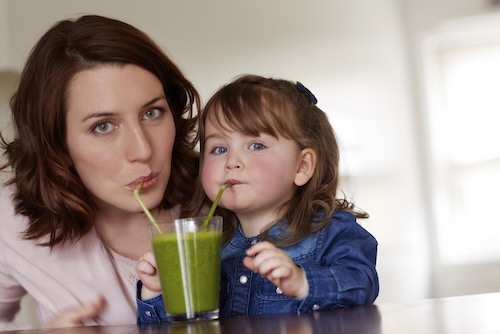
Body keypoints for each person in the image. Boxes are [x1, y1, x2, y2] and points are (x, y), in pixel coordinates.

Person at [0, 15, 201, 329]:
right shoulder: (13, 217)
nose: (143, 150)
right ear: (58, 144)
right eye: (103, 126)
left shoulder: (229, 193)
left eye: (152, 112)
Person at [136, 74, 379, 321]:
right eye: (219, 149)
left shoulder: (331, 231)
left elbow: (363, 283)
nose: (231, 162)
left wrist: (303, 282)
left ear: (302, 166)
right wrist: (157, 292)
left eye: (256, 146)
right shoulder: (210, 245)